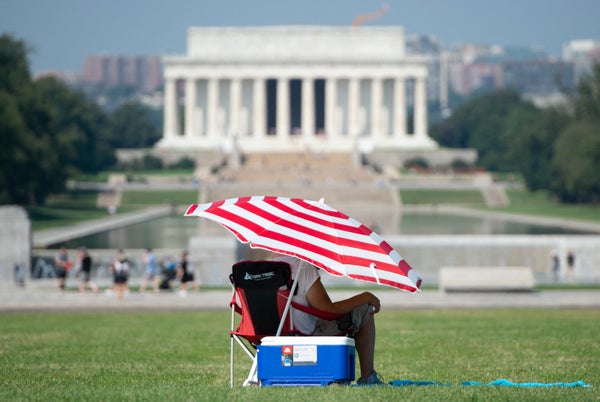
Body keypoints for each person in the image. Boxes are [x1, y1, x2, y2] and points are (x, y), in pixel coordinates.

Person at [272, 254, 384, 385]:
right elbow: (329, 309)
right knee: (364, 310)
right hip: (303, 335)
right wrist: (366, 296)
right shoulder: (302, 267)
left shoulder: (271, 266)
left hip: (271, 335)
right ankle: (368, 377)